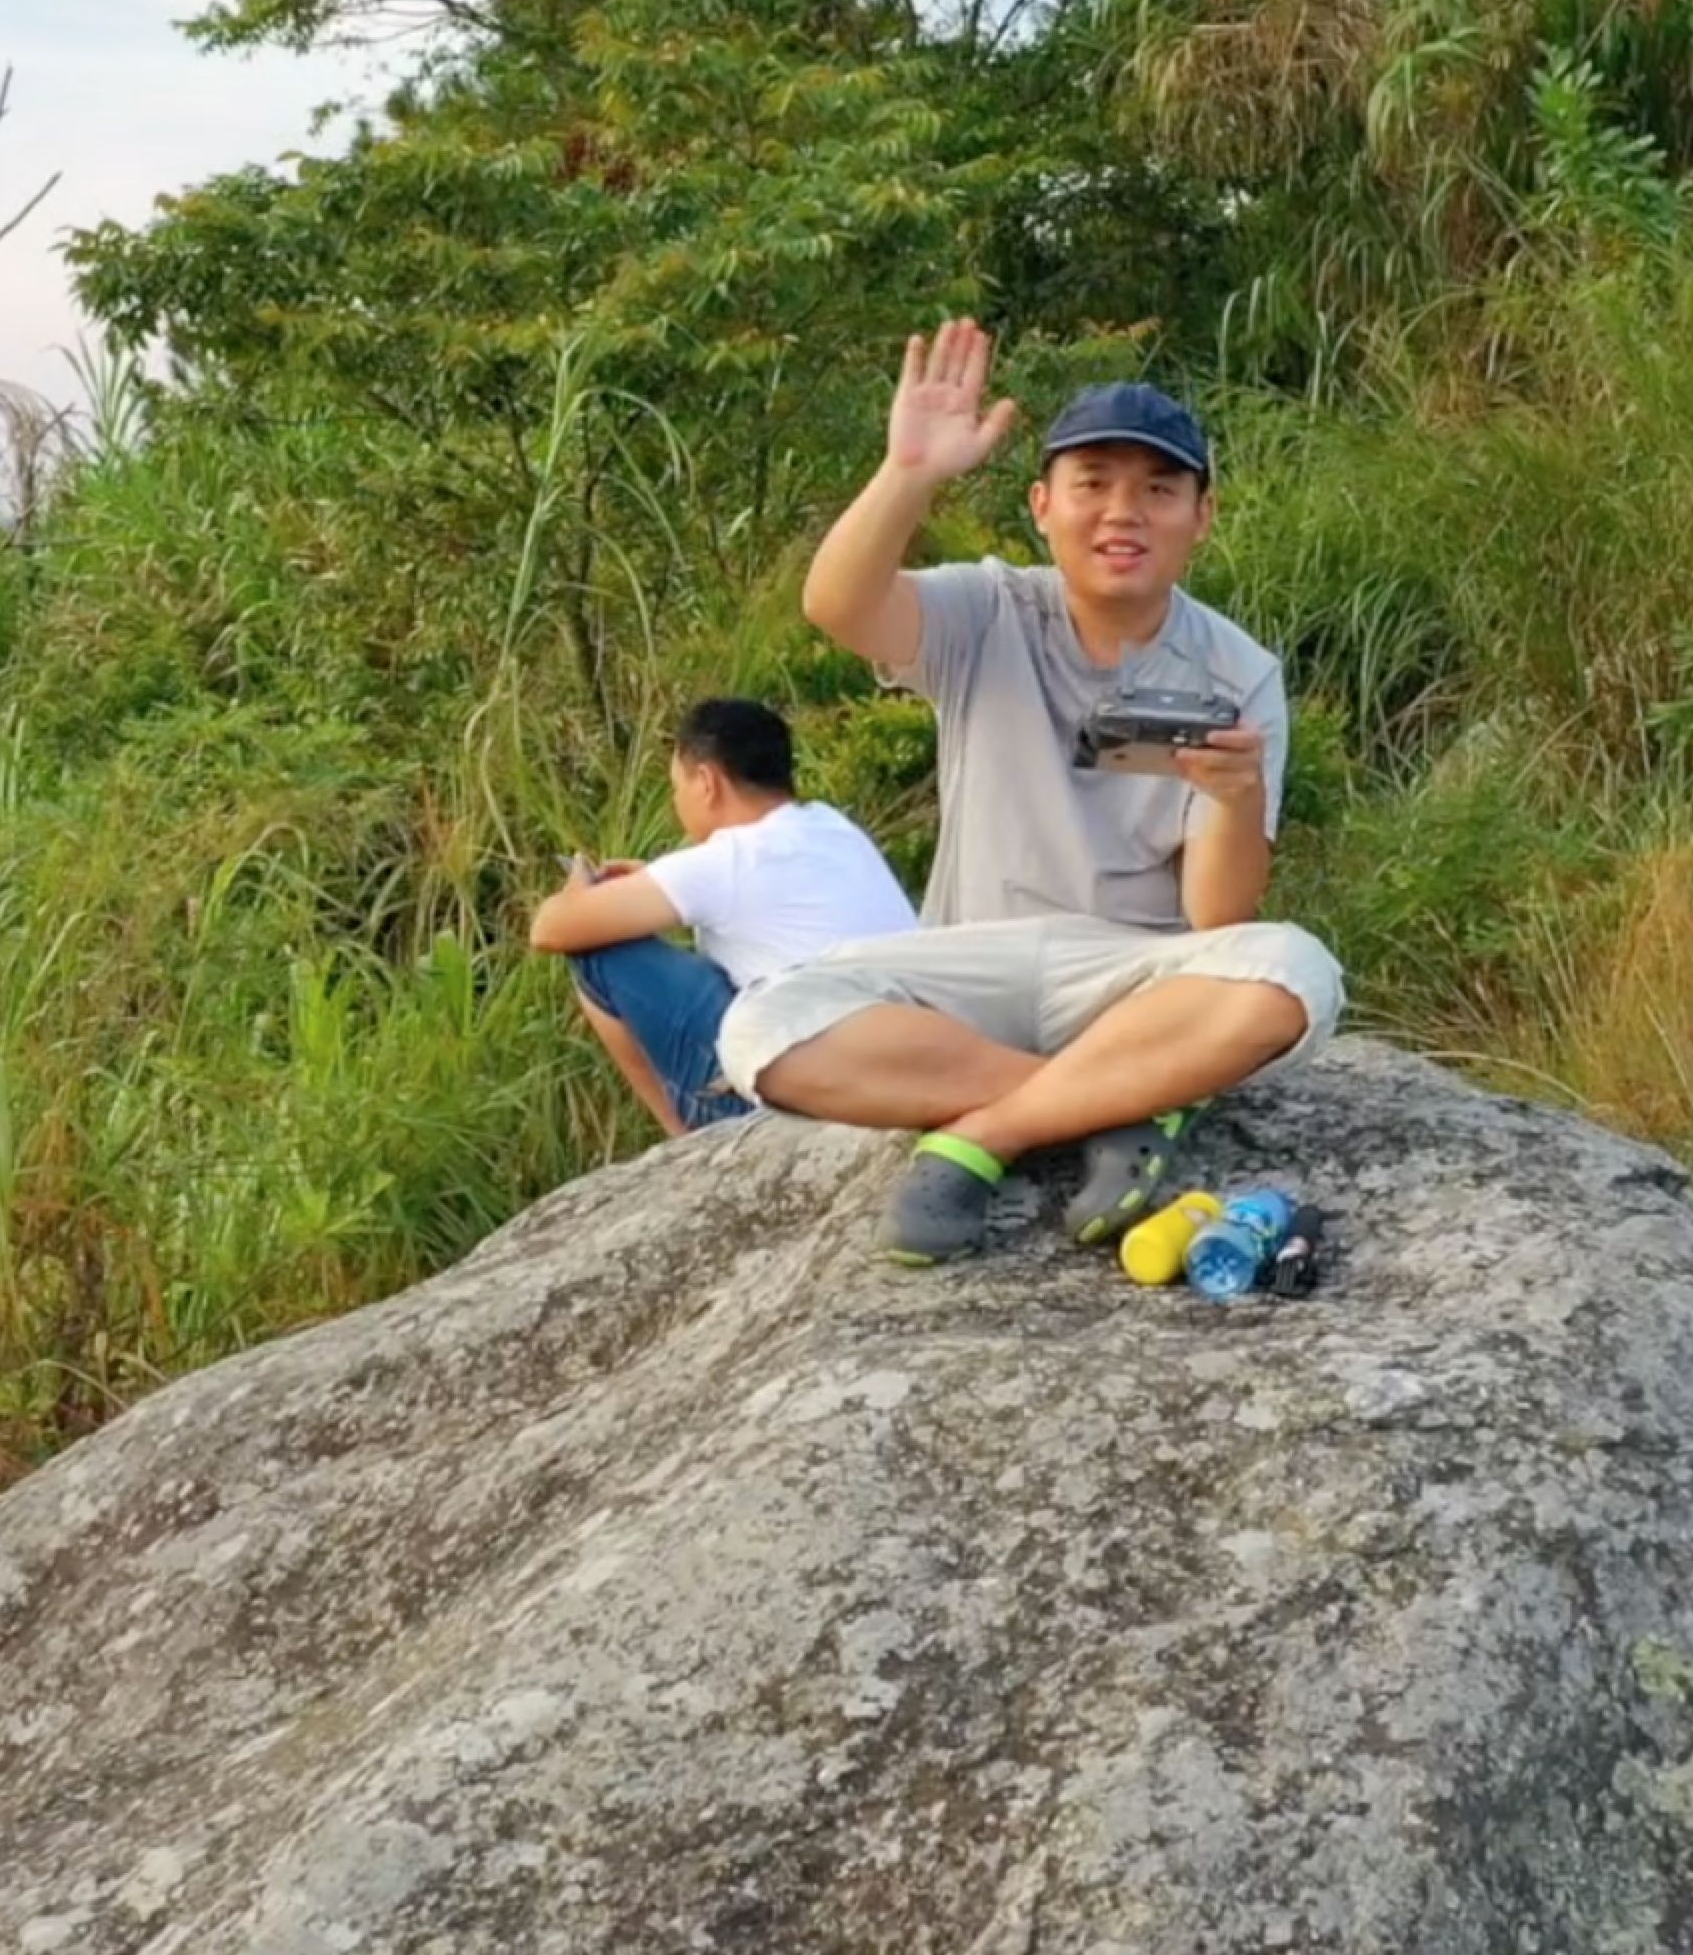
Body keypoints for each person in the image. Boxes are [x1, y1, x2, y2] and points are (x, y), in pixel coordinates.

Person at [718, 317, 1345, 1262]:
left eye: (1158, 490)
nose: (1122, 512)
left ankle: (992, 1132)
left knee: (1296, 974)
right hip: (969, 963)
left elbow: (1219, 914)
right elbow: (838, 606)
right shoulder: (987, 608)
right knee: (761, 1027)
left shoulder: (1237, 667)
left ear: (1202, 517)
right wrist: (911, 473)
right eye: (1093, 485)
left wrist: (1236, 797)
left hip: (1132, 979)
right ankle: (1113, 1104)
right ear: (1042, 504)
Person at [529, 697, 918, 1141]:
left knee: (596, 954)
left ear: (707, 782)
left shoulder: (728, 861)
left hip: (805, 1093)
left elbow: (549, 929)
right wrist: (653, 882)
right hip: (897, 1064)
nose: (678, 802)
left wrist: (581, 886)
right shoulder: (831, 827)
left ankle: (687, 1141)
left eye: (677, 786)